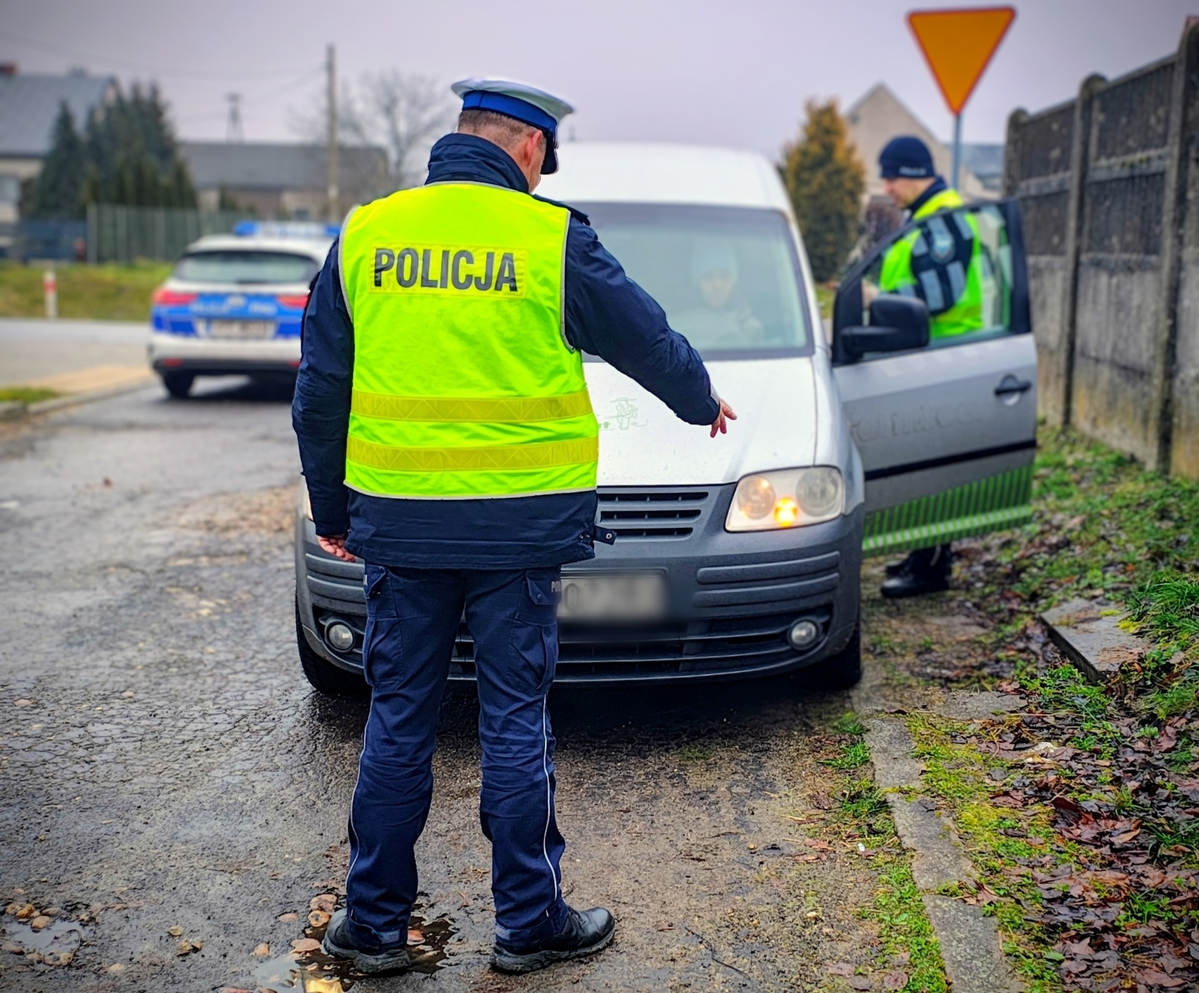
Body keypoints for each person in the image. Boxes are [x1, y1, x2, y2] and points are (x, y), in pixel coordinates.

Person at [292, 78, 735, 976]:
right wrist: (699, 401)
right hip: (519, 531)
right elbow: (641, 335)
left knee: (398, 719)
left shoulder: (367, 233)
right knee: (513, 720)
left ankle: (371, 926)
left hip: (401, 528)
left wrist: (333, 510)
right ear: (530, 147)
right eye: (543, 158)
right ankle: (528, 922)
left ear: (461, 137)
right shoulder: (548, 238)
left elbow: (320, 389)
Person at [875, 135, 983, 599]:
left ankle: (932, 567)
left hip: (944, 356)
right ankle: (921, 555)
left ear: (913, 173)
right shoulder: (926, 216)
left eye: (891, 177)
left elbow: (941, 293)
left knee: (932, 467)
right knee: (920, 462)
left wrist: (877, 300)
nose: (886, 187)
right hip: (926, 354)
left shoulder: (943, 217)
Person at [673, 241, 764, 349]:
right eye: (708, 276)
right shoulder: (679, 325)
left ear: (734, 282)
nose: (717, 285)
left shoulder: (751, 328)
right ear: (697, 283)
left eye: (724, 276)